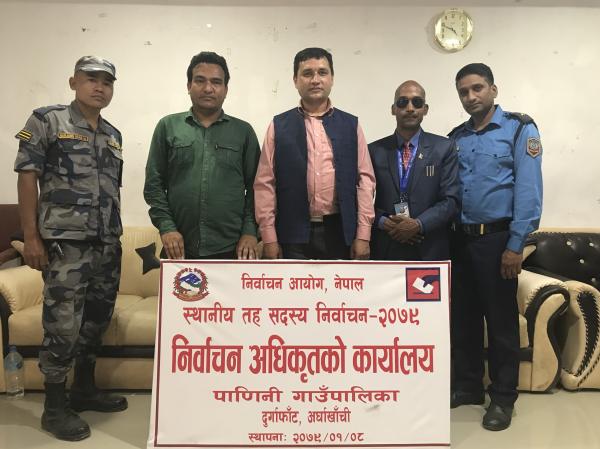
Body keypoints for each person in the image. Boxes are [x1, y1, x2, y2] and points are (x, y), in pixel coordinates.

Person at [14, 56, 127, 441]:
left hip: (106, 243)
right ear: (73, 82)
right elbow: (27, 177)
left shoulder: (113, 134)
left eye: (107, 82)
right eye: (91, 79)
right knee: (62, 324)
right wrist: (31, 237)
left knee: (96, 319)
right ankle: (54, 407)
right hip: (66, 244)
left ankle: (84, 388)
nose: (99, 87)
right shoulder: (47, 121)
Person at [448, 63, 543, 431]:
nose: (471, 96)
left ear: (493, 90)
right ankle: (468, 386)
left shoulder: (519, 129)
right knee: (464, 318)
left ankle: (503, 397)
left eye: (477, 88)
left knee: (501, 322)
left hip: (498, 240)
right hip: (460, 239)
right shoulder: (456, 137)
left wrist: (516, 245)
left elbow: (529, 191)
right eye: (464, 91)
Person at [254, 47, 375, 260]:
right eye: (307, 73)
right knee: (292, 283)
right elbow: (265, 183)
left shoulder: (351, 125)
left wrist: (363, 234)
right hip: (290, 233)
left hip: (340, 232)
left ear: (332, 78)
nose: (315, 80)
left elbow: (364, 180)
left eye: (322, 72)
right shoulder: (279, 125)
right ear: (295, 80)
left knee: (340, 283)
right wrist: (269, 236)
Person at [144, 51, 261, 260]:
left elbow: (257, 188)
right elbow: (154, 184)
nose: (208, 88)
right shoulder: (168, 126)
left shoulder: (243, 132)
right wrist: (167, 227)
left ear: (226, 89)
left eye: (216, 82)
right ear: (189, 85)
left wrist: (250, 231)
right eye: (200, 80)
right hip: (179, 247)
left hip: (232, 249)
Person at [368, 80, 459, 260]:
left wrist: (418, 224)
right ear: (393, 109)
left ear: (425, 109)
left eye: (417, 102)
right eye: (403, 102)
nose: (410, 108)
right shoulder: (374, 150)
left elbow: (451, 200)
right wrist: (384, 222)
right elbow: (361, 200)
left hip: (429, 245)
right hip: (386, 244)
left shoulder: (444, 148)